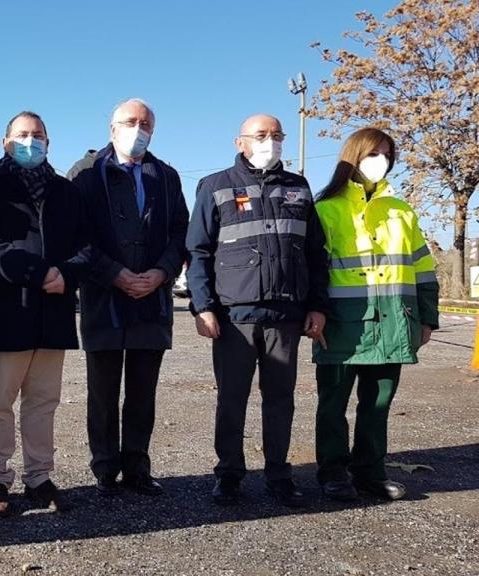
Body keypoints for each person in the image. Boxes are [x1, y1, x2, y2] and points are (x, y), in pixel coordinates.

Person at [186, 114, 329, 508]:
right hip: (235, 318)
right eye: (262, 135)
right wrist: (203, 306)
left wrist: (317, 305)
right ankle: (229, 475)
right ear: (240, 142)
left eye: (277, 135)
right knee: (232, 398)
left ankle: (279, 474)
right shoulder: (215, 187)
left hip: (286, 315)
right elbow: (197, 252)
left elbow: (316, 253)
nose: (271, 142)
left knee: (280, 399)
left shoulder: (298, 187)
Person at [0, 111, 89, 517]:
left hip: (53, 312)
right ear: (5, 142)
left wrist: (67, 274)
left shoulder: (65, 191)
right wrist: (38, 274)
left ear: (49, 143)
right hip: (8, 309)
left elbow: (85, 245)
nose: (30, 141)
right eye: (22, 134)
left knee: (43, 402)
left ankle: (39, 477)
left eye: (38, 135)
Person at [68, 99, 189, 498]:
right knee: (102, 391)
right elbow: (74, 236)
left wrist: (161, 273)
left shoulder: (166, 175)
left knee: (142, 391)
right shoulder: (86, 174)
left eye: (145, 123)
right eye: (130, 122)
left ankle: (137, 465)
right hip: (104, 298)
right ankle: (105, 469)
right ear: (112, 127)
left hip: (152, 300)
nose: (138, 129)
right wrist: (115, 274)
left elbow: (179, 233)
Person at [312, 127, 439, 502]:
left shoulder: (402, 211)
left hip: (395, 321)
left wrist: (427, 318)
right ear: (352, 156)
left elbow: (423, 269)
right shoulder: (326, 209)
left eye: (387, 154)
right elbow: (313, 271)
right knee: (333, 405)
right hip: (341, 325)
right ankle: (333, 473)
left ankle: (370, 472)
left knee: (377, 404)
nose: (380, 160)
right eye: (373, 153)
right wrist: (314, 313)